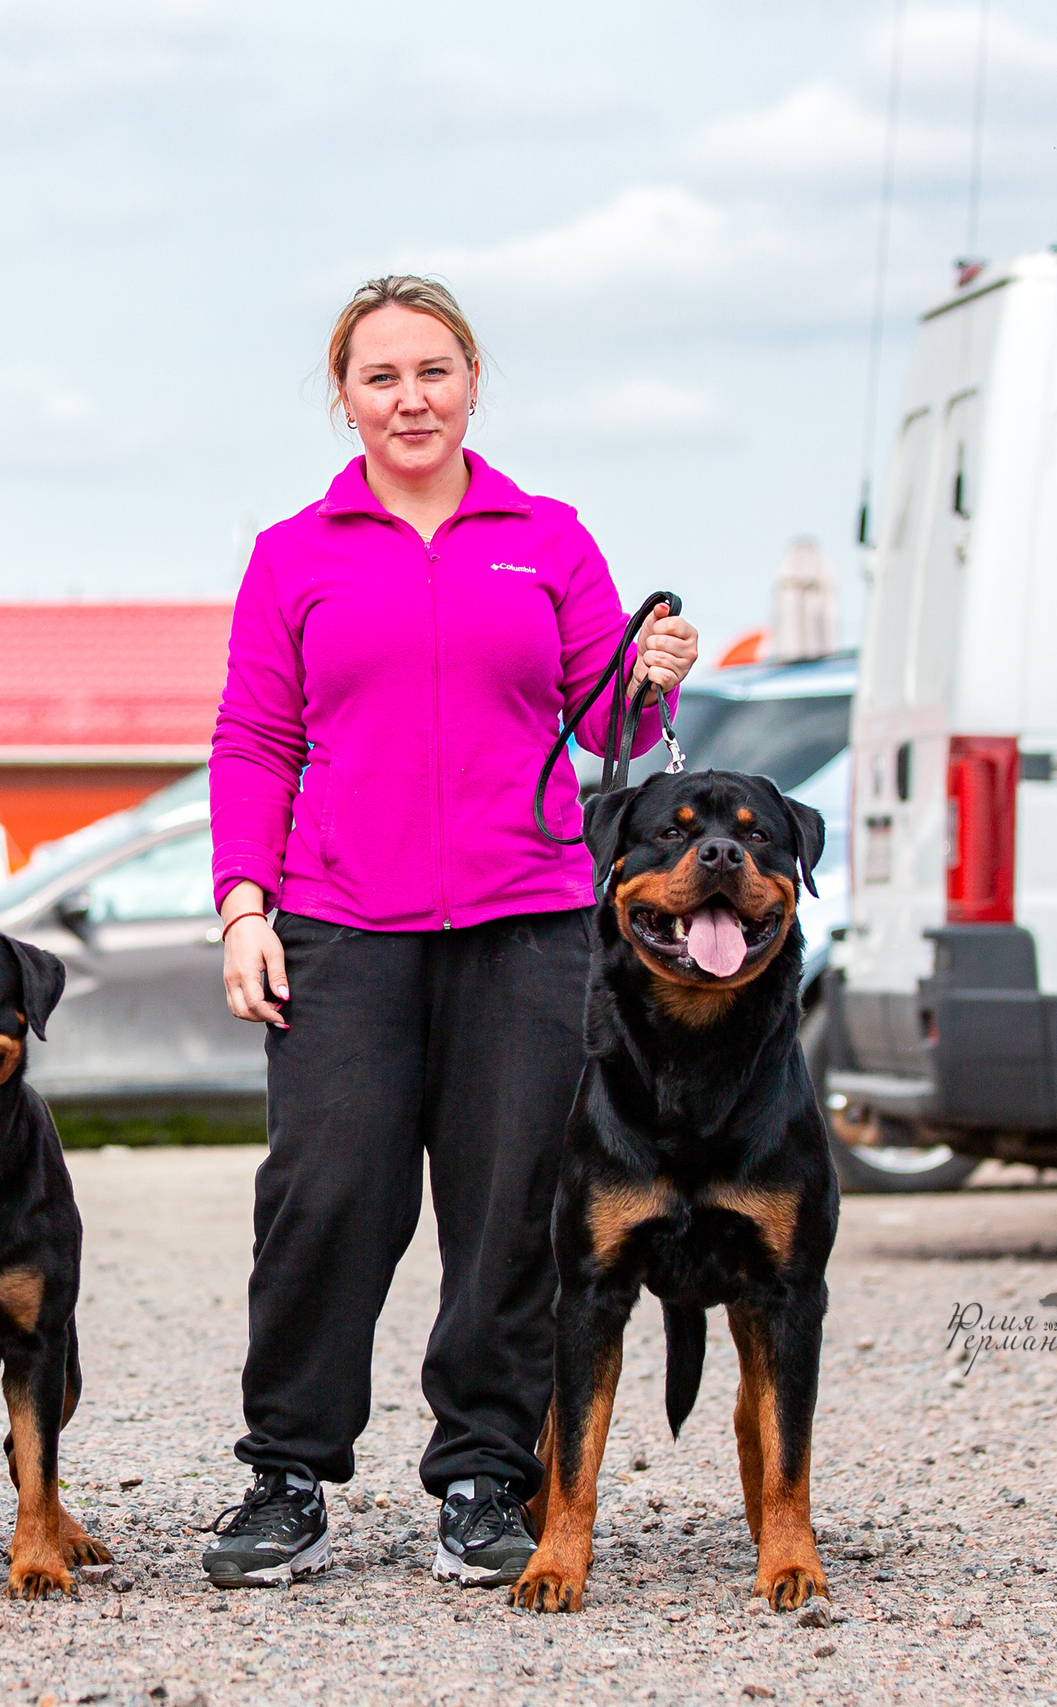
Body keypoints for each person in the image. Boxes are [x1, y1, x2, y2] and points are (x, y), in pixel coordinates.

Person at [198, 276, 700, 1592]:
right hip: (341, 927)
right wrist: (245, 904)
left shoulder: (549, 535)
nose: (410, 396)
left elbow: (612, 729)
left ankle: (486, 1474)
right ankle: (288, 1469)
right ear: (344, 396)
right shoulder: (294, 552)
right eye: (382, 375)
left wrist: (651, 679)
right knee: (328, 1194)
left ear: (473, 379)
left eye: (434, 370)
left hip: (527, 927)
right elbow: (255, 740)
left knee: (511, 1208)